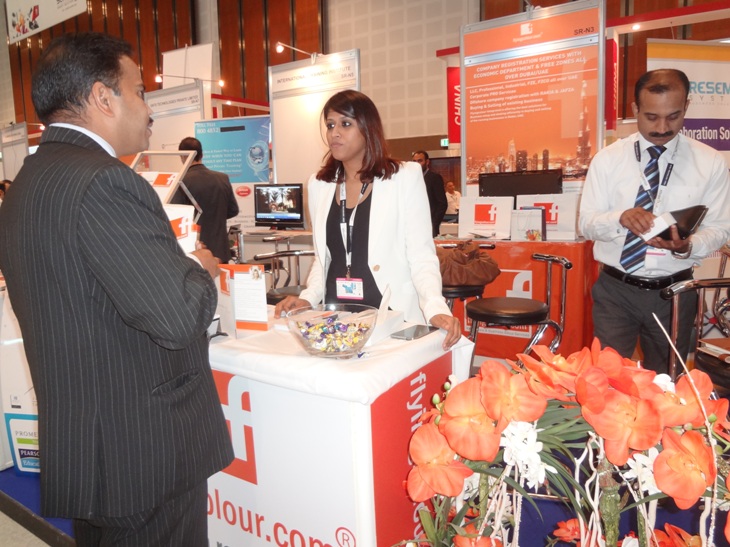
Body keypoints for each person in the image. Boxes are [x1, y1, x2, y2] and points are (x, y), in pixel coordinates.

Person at [0, 33, 234, 546]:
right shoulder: (106, 181)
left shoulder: (26, 186)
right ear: (103, 98)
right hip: (144, 453)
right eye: (141, 91)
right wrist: (198, 268)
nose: (149, 109)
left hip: (88, 447)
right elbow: (177, 317)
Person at [275, 90, 461, 350]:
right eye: (330, 125)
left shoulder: (404, 177)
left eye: (345, 124)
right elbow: (324, 258)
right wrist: (308, 297)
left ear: (367, 128)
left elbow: (421, 255)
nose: (334, 133)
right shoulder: (319, 184)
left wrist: (434, 307)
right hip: (336, 318)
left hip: (391, 318)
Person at [579, 68, 730, 373]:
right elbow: (586, 223)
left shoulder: (710, 162)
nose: (662, 128)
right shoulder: (608, 159)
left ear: (686, 106)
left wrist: (688, 245)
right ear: (635, 108)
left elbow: (721, 228)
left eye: (673, 116)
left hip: (675, 292)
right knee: (605, 379)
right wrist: (620, 218)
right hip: (616, 290)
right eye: (651, 117)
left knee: (667, 381)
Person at [172, 136, 239, 263]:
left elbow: (175, 216)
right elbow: (233, 210)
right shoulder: (222, 178)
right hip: (221, 251)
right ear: (202, 154)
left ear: (183, 156)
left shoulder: (181, 182)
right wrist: (215, 217)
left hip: (196, 252)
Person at [412, 150, 447, 237]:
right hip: (414, 225)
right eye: (414, 161)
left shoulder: (434, 178)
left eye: (420, 161)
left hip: (430, 225)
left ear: (427, 162)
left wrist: (434, 223)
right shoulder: (410, 179)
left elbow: (442, 203)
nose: (417, 164)